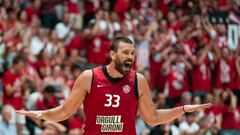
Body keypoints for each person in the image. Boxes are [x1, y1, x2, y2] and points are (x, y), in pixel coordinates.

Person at [16, 36, 212, 135]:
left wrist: (183, 109)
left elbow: (152, 118)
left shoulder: (138, 80)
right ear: (112, 54)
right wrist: (42, 114)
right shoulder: (89, 77)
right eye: (125, 52)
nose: (130, 57)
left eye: (132, 53)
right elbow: (66, 111)